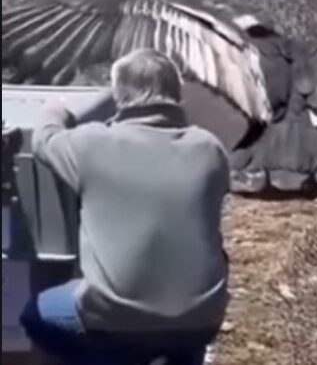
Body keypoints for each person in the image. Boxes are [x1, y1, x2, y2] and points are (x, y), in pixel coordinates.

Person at [19, 48, 231, 365]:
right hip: (201, 317)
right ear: (176, 94)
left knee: (34, 315)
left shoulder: (92, 144)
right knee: (178, 328)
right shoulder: (209, 149)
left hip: (115, 321)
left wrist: (55, 111)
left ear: (119, 95)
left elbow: (43, 139)